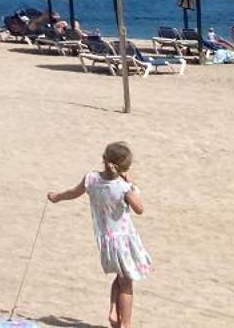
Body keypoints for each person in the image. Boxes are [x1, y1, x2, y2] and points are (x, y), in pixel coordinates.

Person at [47, 140, 150, 328]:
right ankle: (125, 324)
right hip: (124, 240)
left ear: (104, 159)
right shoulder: (123, 188)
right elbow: (140, 209)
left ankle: (113, 311)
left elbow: (73, 192)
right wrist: (132, 187)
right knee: (127, 283)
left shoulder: (91, 179)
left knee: (120, 276)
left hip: (105, 240)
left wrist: (57, 197)